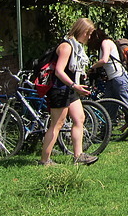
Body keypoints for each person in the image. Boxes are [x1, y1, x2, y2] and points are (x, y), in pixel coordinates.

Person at [39, 18, 98, 166]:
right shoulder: (66, 46)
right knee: (57, 124)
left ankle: (78, 156)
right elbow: (59, 71)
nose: (89, 37)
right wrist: (74, 85)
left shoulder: (75, 46)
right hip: (59, 89)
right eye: (89, 34)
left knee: (79, 118)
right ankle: (44, 160)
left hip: (70, 89)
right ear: (83, 32)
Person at [88, 28, 128, 141]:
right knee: (109, 105)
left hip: (119, 78)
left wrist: (92, 67)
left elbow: (104, 60)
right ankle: (105, 132)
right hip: (113, 79)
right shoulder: (105, 43)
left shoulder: (105, 42)